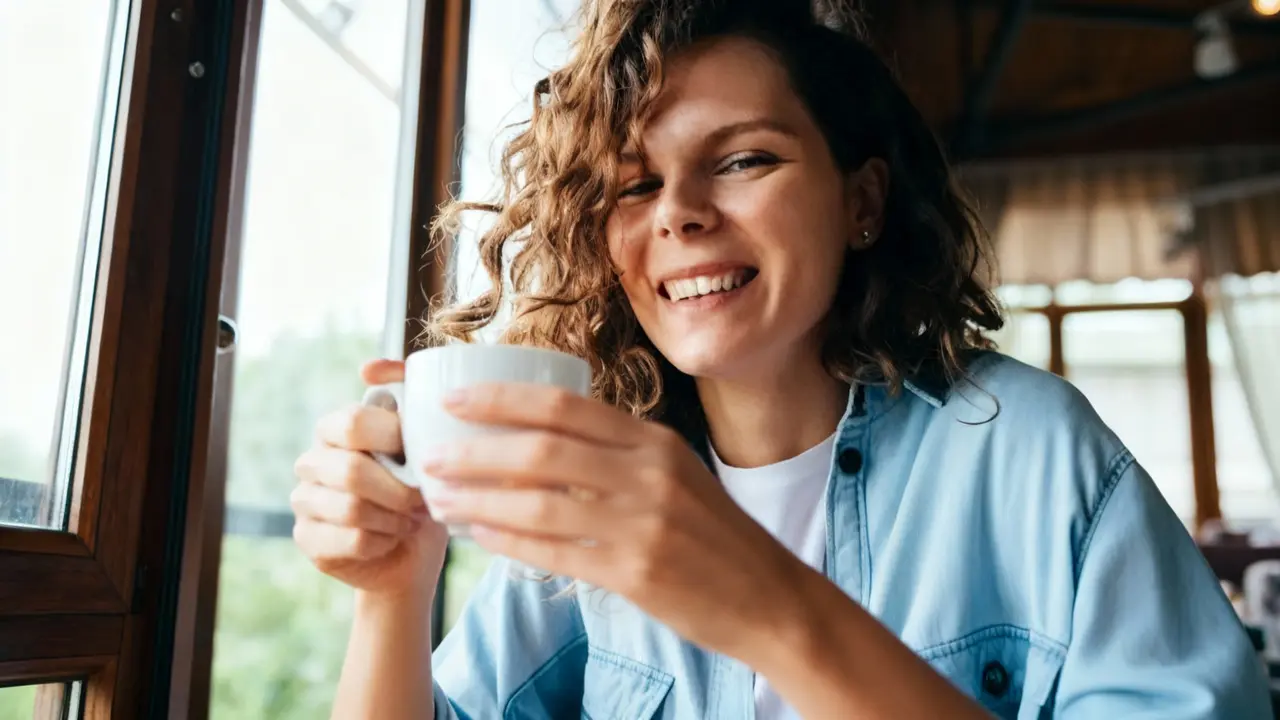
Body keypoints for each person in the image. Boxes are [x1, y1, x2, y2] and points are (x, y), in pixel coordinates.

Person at [289, 0, 1272, 717]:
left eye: (742, 159)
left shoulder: (1028, 449)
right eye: (632, 186)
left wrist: (767, 607)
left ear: (861, 203)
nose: (677, 211)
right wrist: (392, 591)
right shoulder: (591, 502)